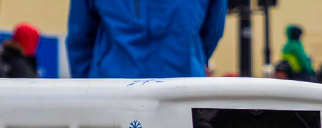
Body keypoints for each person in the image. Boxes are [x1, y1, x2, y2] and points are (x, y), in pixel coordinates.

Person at [67, 0, 225, 78]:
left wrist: (87, 87)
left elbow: (79, 39)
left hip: (113, 87)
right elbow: (213, 31)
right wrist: (194, 57)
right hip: (183, 86)